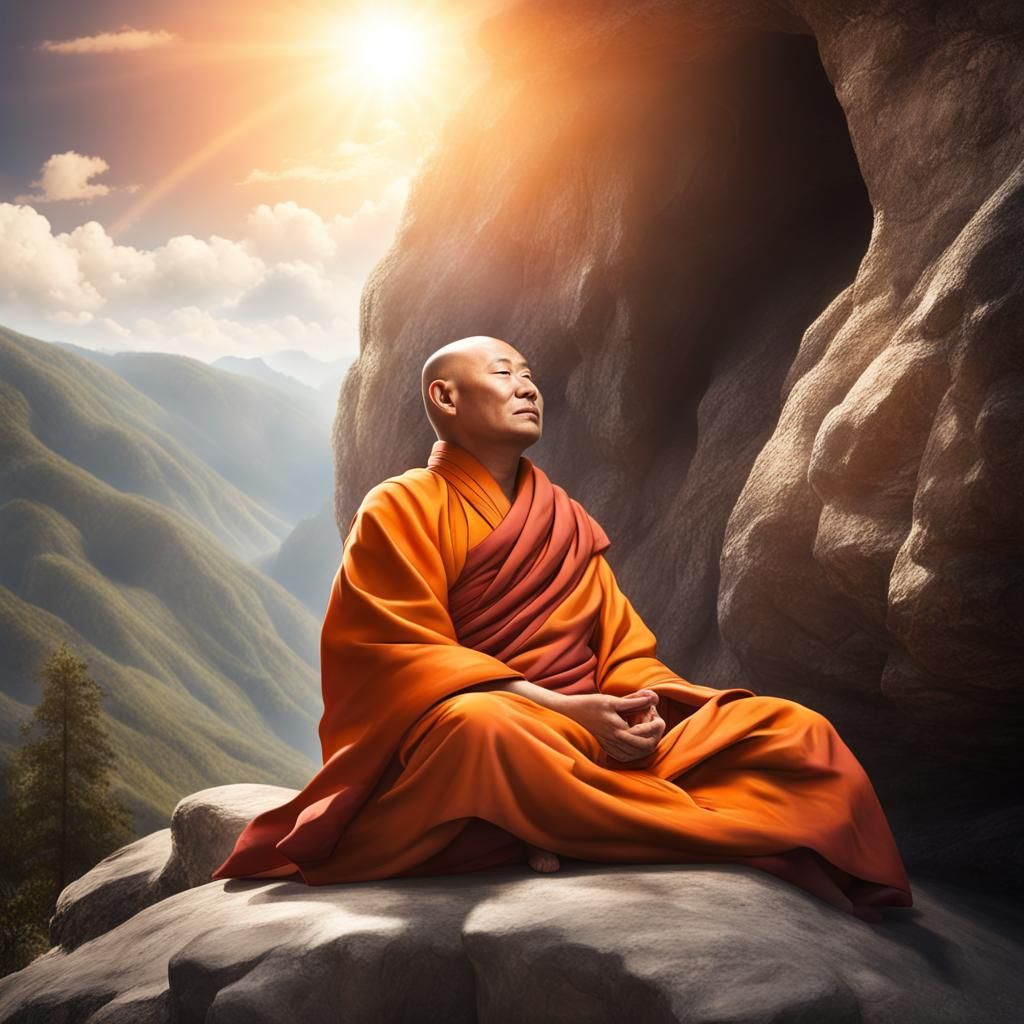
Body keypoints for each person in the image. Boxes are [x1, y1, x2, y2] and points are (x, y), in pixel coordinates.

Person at [211, 334, 913, 922]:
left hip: (590, 739)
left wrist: (638, 708)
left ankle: (543, 822)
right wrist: (561, 710)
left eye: (530, 376)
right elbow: (400, 655)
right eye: (503, 373)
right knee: (479, 730)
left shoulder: (562, 516)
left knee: (793, 730)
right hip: (498, 731)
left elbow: (622, 644)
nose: (527, 387)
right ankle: (602, 821)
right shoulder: (400, 506)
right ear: (445, 398)